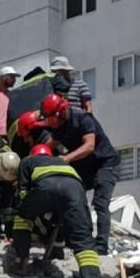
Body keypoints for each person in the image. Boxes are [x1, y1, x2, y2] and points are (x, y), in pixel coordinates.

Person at [10, 144, 102, 278]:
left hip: (45, 185)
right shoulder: (62, 162)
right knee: (82, 236)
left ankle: (21, 262)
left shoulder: (27, 161)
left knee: (22, 219)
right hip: (75, 189)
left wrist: (27, 209)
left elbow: (23, 192)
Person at [39, 93, 120, 254]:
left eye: (49, 117)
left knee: (100, 203)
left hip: (105, 164)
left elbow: (89, 146)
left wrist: (67, 158)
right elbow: (49, 145)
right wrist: (37, 158)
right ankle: (83, 239)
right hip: (85, 166)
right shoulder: (59, 127)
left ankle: (102, 246)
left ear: (59, 113)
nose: (48, 122)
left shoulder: (83, 119)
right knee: (74, 199)